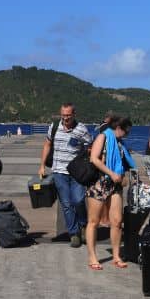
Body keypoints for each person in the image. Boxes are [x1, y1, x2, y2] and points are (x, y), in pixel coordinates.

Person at [37, 103, 93, 247]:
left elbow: (90, 146)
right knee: (66, 204)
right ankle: (74, 233)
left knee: (79, 200)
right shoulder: (54, 127)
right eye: (63, 115)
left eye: (68, 115)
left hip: (77, 173)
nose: (65, 118)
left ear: (74, 114)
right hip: (59, 172)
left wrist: (87, 162)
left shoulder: (81, 129)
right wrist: (42, 165)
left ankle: (83, 224)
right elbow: (47, 145)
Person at [85, 116, 134, 271]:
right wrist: (112, 173)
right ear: (119, 127)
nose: (127, 135)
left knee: (117, 221)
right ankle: (92, 257)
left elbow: (123, 162)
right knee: (94, 221)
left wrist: (121, 176)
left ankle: (116, 255)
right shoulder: (103, 136)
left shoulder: (120, 143)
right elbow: (94, 159)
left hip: (115, 185)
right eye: (127, 131)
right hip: (99, 183)